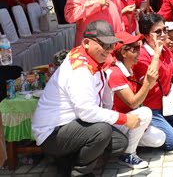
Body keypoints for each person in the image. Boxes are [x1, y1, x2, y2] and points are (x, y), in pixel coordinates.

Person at [32, 21, 134, 176]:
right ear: (86, 43)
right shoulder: (80, 70)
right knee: (102, 131)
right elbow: (87, 112)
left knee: (119, 143)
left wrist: (106, 73)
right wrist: (124, 119)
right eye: (104, 45)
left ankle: (65, 162)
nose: (109, 51)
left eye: (112, 46)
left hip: (72, 126)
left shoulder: (93, 61)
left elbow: (104, 103)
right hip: (53, 133)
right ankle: (78, 172)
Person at [133, 14, 173, 151]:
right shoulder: (141, 56)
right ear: (146, 35)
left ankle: (165, 125)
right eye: (158, 32)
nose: (163, 34)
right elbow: (149, 84)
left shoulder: (167, 50)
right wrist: (156, 54)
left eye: (164, 30)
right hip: (151, 108)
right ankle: (139, 135)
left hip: (166, 103)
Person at [107, 30, 166, 169]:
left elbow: (150, 81)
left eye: (139, 46)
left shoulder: (129, 68)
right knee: (145, 112)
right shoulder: (115, 73)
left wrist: (156, 55)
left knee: (159, 138)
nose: (139, 51)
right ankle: (128, 154)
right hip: (113, 122)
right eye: (134, 48)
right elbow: (133, 102)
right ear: (123, 52)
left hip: (126, 119)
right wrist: (147, 83)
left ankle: (128, 144)